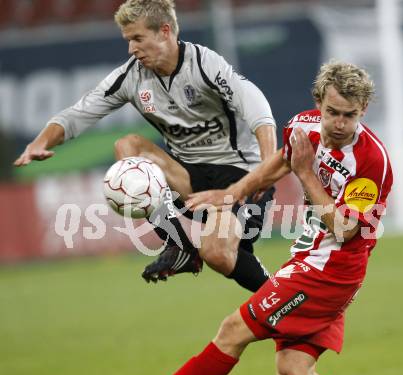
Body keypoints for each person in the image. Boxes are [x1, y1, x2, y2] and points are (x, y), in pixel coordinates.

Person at [96, 60, 393, 375]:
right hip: (309, 260)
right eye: (332, 112)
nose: (339, 123)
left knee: (233, 330)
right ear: (318, 102)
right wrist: (230, 194)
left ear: (363, 110)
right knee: (293, 373)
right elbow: (276, 166)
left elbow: (346, 229)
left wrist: (304, 172)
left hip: (331, 273)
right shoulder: (303, 128)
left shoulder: (372, 162)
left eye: (349, 116)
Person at [13, 0, 277, 293]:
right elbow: (77, 114)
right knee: (128, 145)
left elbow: (257, 107)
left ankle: (285, 300)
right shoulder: (131, 77)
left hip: (239, 176)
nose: (131, 49)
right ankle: (176, 244)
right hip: (189, 179)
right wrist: (40, 142)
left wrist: (266, 169)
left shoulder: (203, 64)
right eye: (128, 41)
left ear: (165, 31)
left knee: (217, 253)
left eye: (137, 38)